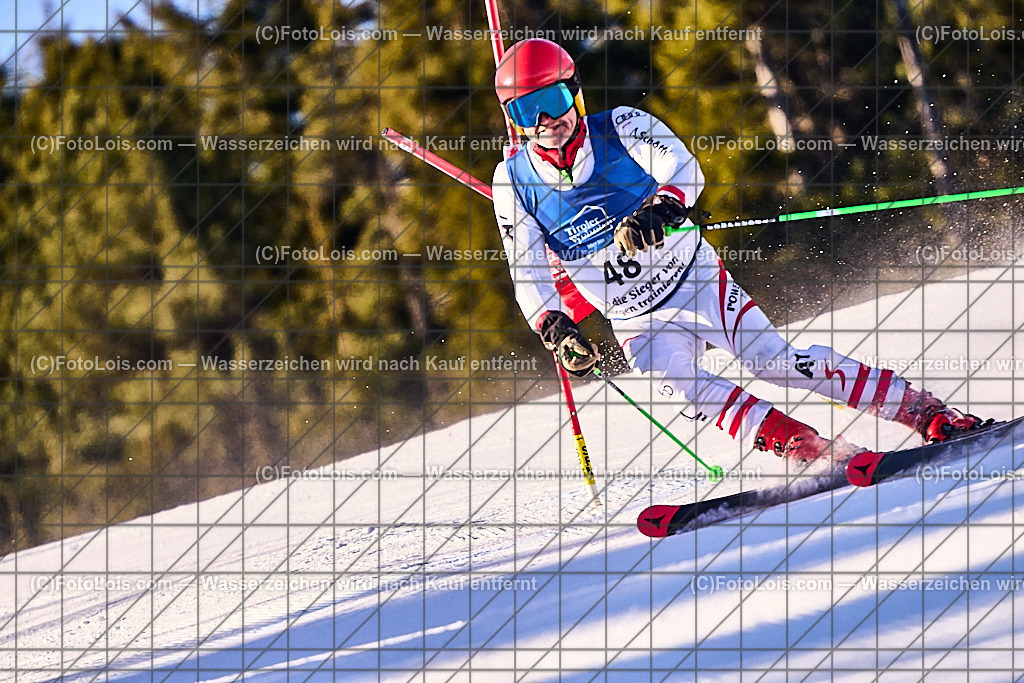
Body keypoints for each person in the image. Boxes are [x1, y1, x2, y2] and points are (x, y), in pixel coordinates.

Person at [490, 38, 982, 459]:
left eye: (553, 100)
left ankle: (925, 412)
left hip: (693, 281)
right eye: (528, 110)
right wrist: (553, 326)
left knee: (774, 361)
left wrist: (660, 209)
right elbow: (526, 268)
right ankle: (803, 446)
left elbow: (682, 168)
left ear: (574, 91)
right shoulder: (513, 183)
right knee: (682, 391)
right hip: (634, 318)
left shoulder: (621, 126)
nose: (546, 120)